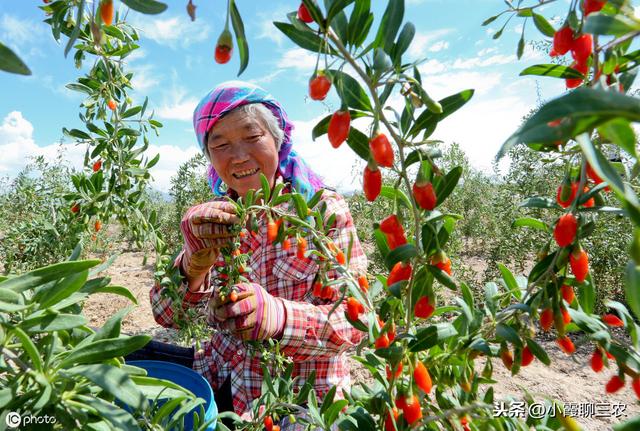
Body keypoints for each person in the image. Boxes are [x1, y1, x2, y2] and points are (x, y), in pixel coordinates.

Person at [140, 81, 368, 429]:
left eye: (252, 137)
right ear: (211, 157)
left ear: (277, 139)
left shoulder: (322, 211)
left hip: (299, 397)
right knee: (116, 359)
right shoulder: (212, 218)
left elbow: (358, 322)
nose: (239, 156)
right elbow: (166, 314)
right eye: (220, 144)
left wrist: (277, 316)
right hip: (220, 376)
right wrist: (193, 264)